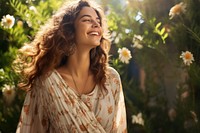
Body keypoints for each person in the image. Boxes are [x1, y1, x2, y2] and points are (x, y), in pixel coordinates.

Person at [15, 0, 127, 132]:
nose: (96, 24)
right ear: (69, 29)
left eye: (98, 21)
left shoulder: (110, 79)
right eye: (87, 20)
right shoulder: (48, 82)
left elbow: (119, 129)